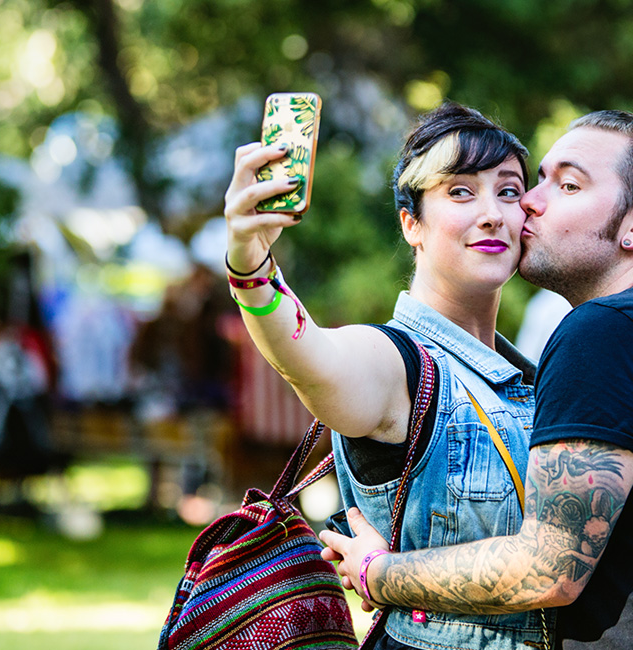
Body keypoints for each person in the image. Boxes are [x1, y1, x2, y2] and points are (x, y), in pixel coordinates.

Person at [321, 110, 633, 649]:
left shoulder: (611, 329)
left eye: (567, 184)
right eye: (537, 181)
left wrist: (378, 571)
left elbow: (549, 566)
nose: (530, 204)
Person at [222, 102, 546, 649]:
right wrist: (251, 269)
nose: (492, 213)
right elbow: (315, 360)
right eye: (461, 192)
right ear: (410, 223)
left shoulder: (533, 376)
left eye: (509, 191)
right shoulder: (393, 361)